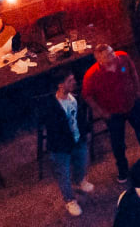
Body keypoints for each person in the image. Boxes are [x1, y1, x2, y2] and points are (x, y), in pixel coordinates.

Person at [84, 43, 140, 184]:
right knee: (118, 143)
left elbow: (133, 73)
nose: (112, 56)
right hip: (113, 114)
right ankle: (122, 169)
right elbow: (87, 96)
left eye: (112, 52)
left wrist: (137, 92)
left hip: (133, 104)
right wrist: (101, 112)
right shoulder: (91, 75)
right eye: (107, 56)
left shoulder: (123, 58)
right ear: (99, 60)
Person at [43, 70, 96, 217]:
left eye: (73, 79)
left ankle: (80, 181)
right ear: (60, 85)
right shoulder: (52, 106)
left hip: (78, 140)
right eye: (70, 81)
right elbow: (54, 130)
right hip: (61, 147)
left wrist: (84, 134)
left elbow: (80, 119)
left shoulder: (75, 99)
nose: (74, 83)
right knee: (63, 175)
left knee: (82, 163)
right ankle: (69, 200)